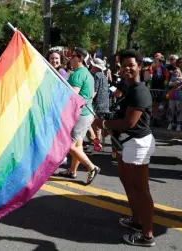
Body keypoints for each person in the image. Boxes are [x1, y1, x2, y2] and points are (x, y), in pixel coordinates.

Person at [94, 50, 156, 247]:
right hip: (125, 143)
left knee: (141, 189)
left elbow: (129, 122)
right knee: (127, 182)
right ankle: (137, 220)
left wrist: (104, 124)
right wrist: (108, 122)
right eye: (123, 65)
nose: (126, 68)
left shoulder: (139, 91)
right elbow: (120, 115)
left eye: (131, 65)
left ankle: (147, 235)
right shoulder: (128, 88)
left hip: (137, 144)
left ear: (139, 66)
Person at [57, 47, 101, 185]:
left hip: (80, 114)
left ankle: (91, 167)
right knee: (78, 145)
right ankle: (72, 171)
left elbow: (73, 96)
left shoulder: (78, 74)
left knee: (68, 145)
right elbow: (92, 94)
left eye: (73, 55)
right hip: (87, 114)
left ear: (80, 58)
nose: (70, 58)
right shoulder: (87, 73)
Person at [86, 58, 109, 152]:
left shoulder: (96, 76)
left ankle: (94, 141)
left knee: (87, 123)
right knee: (97, 125)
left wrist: (88, 101)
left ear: (95, 67)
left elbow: (93, 91)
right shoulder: (103, 75)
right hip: (105, 104)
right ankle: (97, 144)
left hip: (96, 103)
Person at [150, 54, 170, 126]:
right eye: (158, 59)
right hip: (152, 89)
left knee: (156, 105)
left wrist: (165, 86)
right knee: (150, 104)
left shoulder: (164, 69)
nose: (160, 61)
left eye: (161, 60)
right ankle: (149, 118)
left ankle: (154, 119)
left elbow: (167, 78)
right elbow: (149, 77)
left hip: (160, 89)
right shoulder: (151, 67)